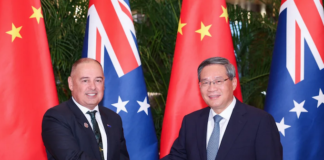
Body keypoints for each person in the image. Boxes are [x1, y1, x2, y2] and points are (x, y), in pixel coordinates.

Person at [161, 57, 282, 160]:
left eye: (218, 81)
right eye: (205, 82)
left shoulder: (260, 121)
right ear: (199, 86)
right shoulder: (191, 121)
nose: (211, 88)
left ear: (233, 83)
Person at [42, 58, 129, 160]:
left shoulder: (113, 118)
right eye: (85, 80)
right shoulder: (56, 117)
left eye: (98, 80)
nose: (92, 87)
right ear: (71, 83)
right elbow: (72, 157)